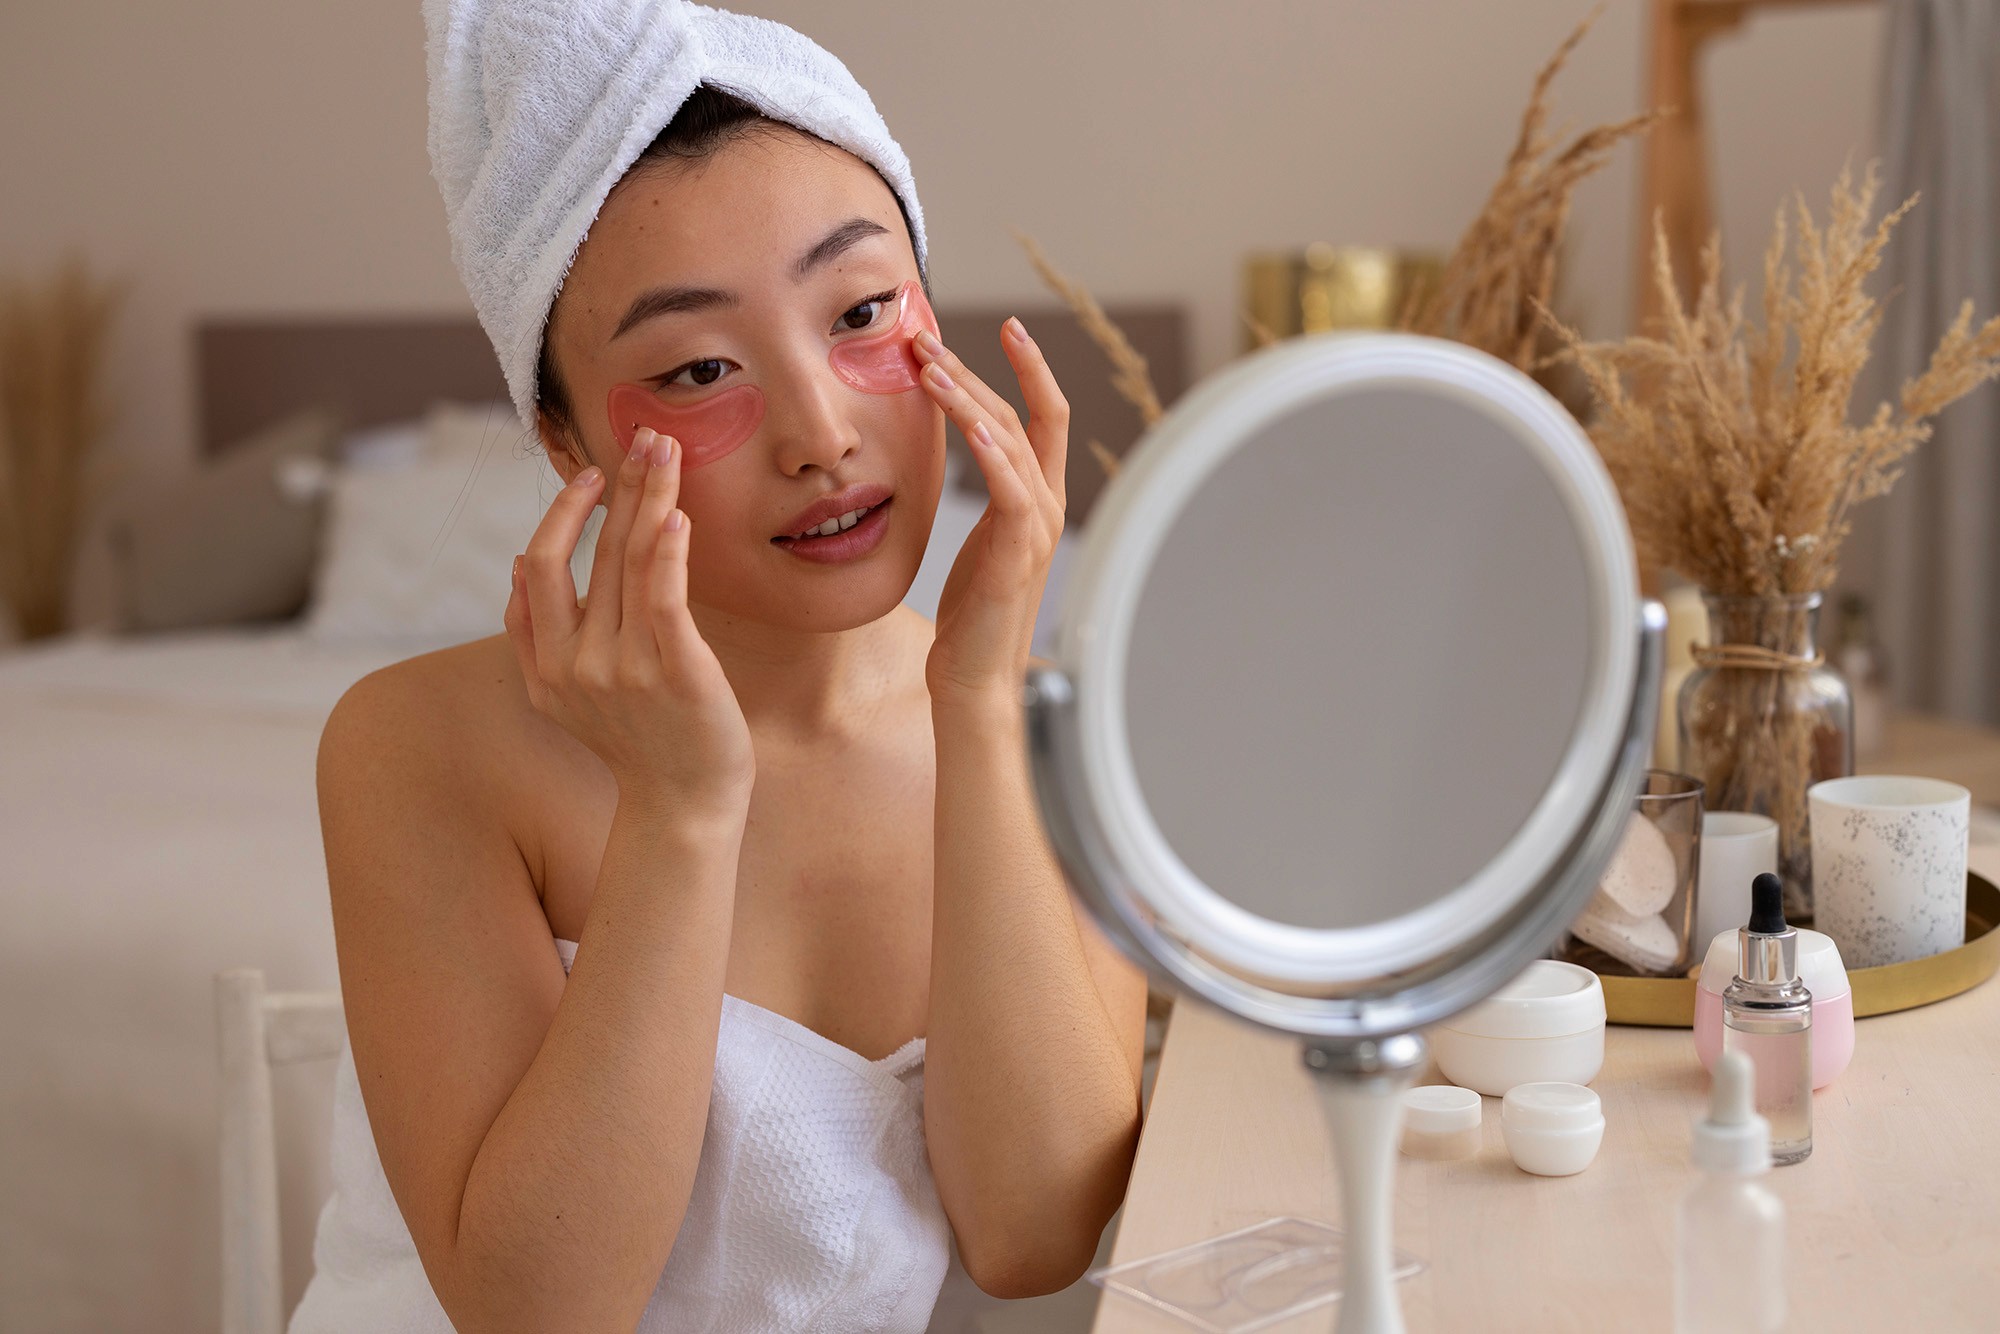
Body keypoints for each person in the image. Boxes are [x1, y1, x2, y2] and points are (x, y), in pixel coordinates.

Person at [285, 3, 1148, 1331]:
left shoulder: (1057, 729)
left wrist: (979, 708)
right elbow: (539, 1308)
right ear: (567, 445)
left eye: (862, 311)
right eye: (699, 367)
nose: (820, 434)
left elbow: (1033, 1237)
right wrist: (682, 812)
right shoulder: (419, 747)